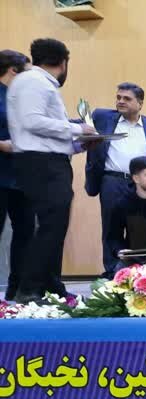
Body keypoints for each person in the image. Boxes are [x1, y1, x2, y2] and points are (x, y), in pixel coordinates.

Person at [6, 38, 97, 303]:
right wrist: (79, 129)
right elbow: (33, 122)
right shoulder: (34, 82)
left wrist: (79, 145)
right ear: (63, 63)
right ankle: (30, 288)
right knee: (51, 226)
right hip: (42, 163)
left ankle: (50, 285)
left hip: (46, 160)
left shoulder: (34, 82)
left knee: (54, 226)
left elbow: (44, 133)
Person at [84, 82, 146, 278]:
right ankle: (114, 273)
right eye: (118, 97)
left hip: (140, 184)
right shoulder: (102, 117)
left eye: (127, 99)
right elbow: (78, 123)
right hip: (112, 181)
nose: (120, 101)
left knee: (141, 227)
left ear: (140, 103)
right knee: (111, 228)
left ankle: (140, 273)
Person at [0, 49, 34, 301]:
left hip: (21, 176)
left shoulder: (19, 97)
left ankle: (17, 288)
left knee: (25, 232)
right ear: (13, 70)